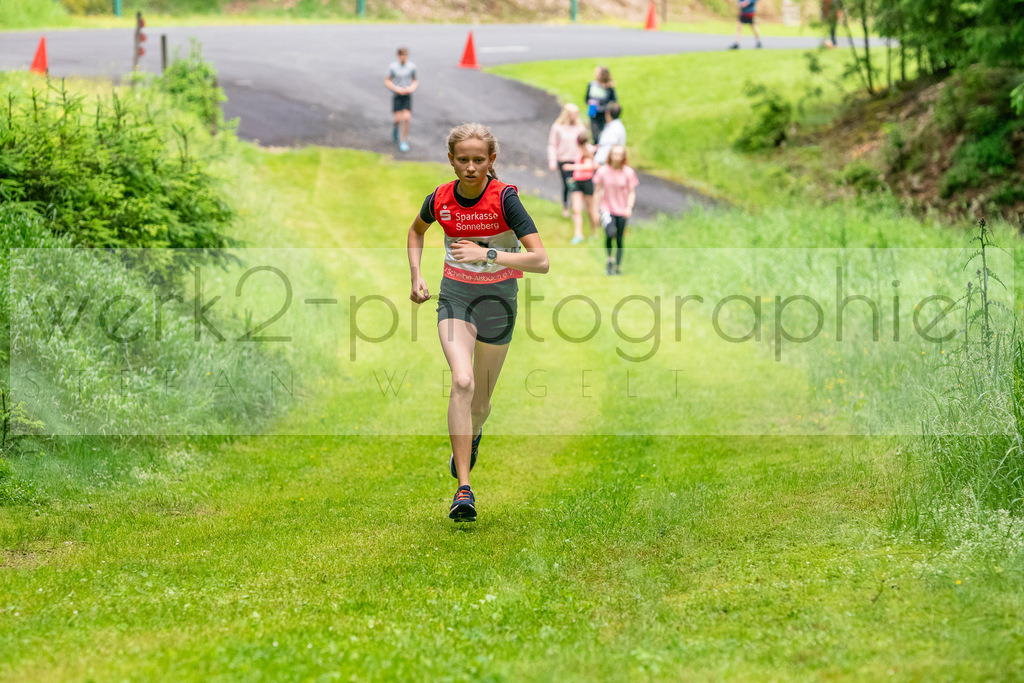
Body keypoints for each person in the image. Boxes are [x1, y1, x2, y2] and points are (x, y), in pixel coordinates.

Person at [407, 123, 549, 522]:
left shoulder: (505, 200)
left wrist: (487, 255)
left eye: (479, 160)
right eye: (463, 160)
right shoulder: (440, 198)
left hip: (499, 303)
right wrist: (416, 274)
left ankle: (471, 438)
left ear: (492, 161)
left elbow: (541, 261)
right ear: (451, 160)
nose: (471, 167)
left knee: (482, 405)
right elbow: (415, 232)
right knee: (463, 381)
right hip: (456, 299)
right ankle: (463, 490)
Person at [593, 145, 638, 276]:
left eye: (620, 154)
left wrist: (629, 207)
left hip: (622, 210)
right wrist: (596, 211)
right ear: (610, 156)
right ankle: (609, 259)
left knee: (619, 239)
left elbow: (631, 192)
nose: (617, 157)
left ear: (624, 156)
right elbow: (597, 192)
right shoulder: (603, 171)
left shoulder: (628, 172)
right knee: (609, 232)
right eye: (614, 154)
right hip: (607, 208)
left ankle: (617, 266)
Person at [547, 103, 589, 219]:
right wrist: (552, 160)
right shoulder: (558, 127)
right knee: (568, 184)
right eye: (572, 114)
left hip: (577, 160)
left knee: (576, 183)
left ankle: (576, 208)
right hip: (564, 160)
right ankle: (566, 206)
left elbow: (585, 143)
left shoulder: (580, 127)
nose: (575, 116)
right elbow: (552, 144)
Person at [566, 132, 600, 243]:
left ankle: (595, 232)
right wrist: (574, 177)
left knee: (590, 209)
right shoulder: (581, 151)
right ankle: (578, 234)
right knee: (576, 209)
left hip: (587, 182)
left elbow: (589, 166)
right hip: (578, 182)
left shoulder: (587, 151)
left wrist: (572, 166)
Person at [385, 47, 418, 153]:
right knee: (397, 119)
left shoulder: (411, 67)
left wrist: (411, 88)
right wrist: (395, 88)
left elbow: (415, 80)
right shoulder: (393, 67)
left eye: (406, 55)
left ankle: (403, 140)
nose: (404, 57)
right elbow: (387, 80)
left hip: (407, 95)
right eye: (402, 55)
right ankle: (395, 130)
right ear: (398, 56)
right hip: (397, 95)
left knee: (407, 117)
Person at [584, 66, 617, 143]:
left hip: (604, 114)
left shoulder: (608, 87)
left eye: (598, 73)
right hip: (593, 113)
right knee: (595, 136)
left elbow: (613, 101)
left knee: (603, 135)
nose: (596, 75)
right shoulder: (591, 85)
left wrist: (605, 106)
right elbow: (586, 98)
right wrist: (589, 102)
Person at [594, 102, 626, 166]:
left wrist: (599, 161)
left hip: (605, 164)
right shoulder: (616, 126)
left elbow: (608, 146)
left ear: (607, 112)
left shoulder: (614, 129)